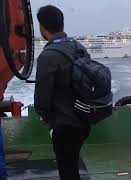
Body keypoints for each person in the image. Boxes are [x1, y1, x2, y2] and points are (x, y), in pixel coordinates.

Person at [34, 5, 91, 180]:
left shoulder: (47, 56)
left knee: (67, 170)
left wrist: (44, 115)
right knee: (72, 165)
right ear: (62, 24)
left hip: (63, 124)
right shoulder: (79, 47)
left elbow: (42, 99)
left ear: (42, 28)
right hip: (84, 121)